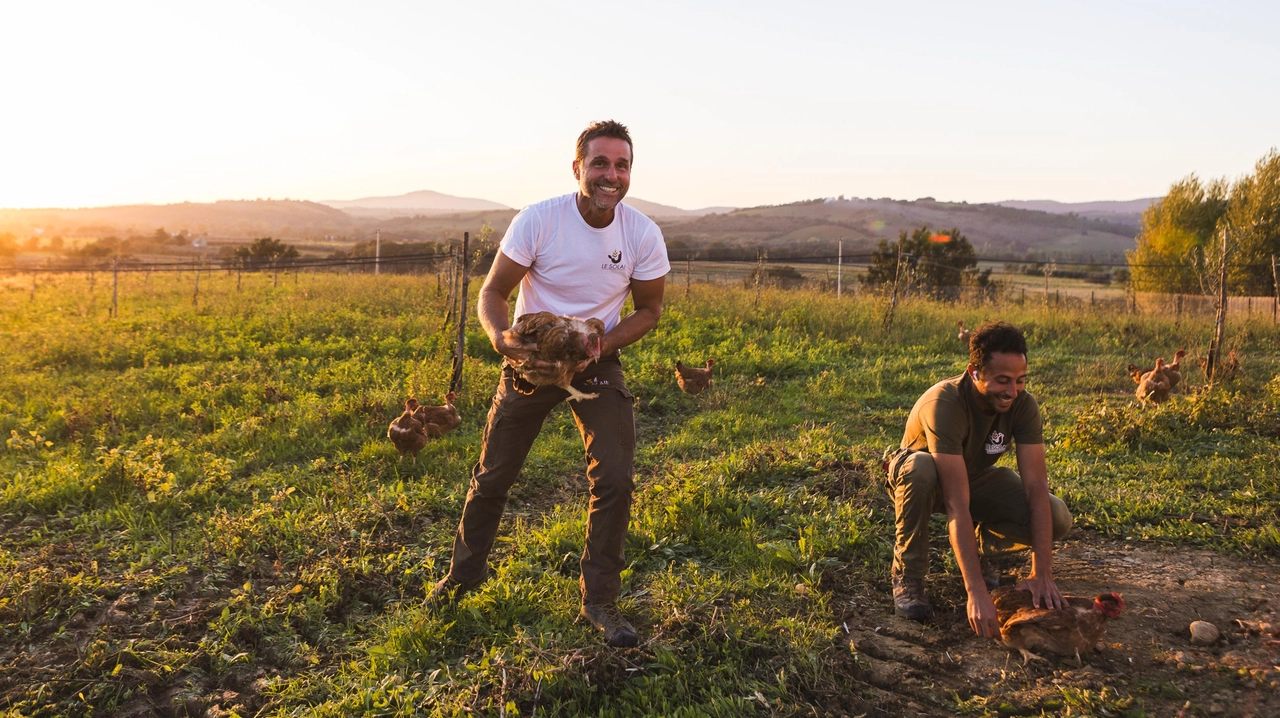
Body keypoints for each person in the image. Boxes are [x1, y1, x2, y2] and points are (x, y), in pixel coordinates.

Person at [428, 120, 669, 648]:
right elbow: (492, 292)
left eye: (622, 165)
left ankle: (599, 601)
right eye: (600, 163)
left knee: (615, 479)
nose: (612, 175)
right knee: (493, 475)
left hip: (595, 359)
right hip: (534, 359)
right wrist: (500, 339)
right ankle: (463, 578)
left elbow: (650, 310)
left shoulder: (642, 233)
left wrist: (599, 347)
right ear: (578, 168)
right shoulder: (540, 220)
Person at [884, 321, 1073, 639]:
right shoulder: (944, 403)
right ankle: (908, 574)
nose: (1012, 391)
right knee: (921, 469)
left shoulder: (1022, 405)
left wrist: (1042, 571)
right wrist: (975, 592)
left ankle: (984, 550)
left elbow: (1037, 487)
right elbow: (956, 502)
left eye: (1020, 380)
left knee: (1057, 516)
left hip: (974, 477)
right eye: (1003, 381)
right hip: (922, 481)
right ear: (974, 372)